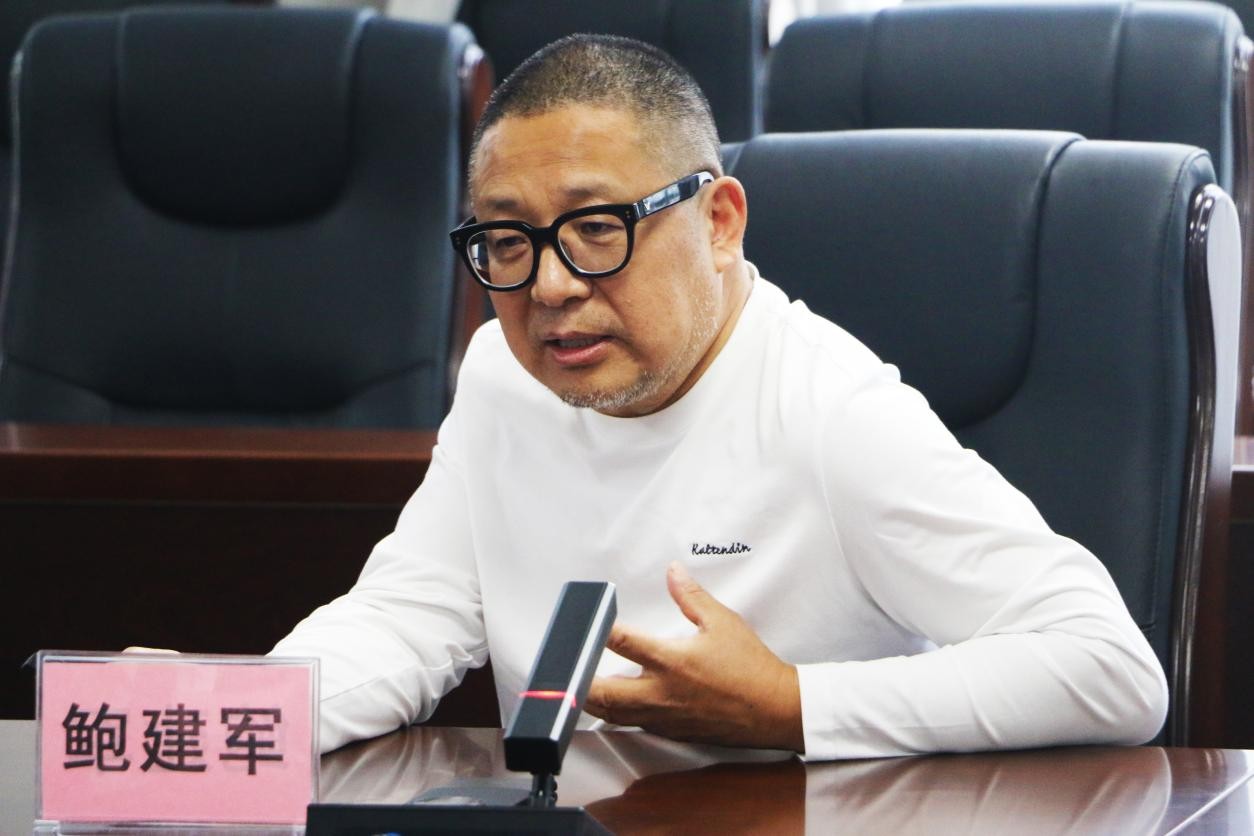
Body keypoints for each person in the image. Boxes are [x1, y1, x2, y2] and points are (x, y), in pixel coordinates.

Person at [272, 34, 1167, 759]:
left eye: (597, 228)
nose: (549, 286)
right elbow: (405, 617)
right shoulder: (505, 378)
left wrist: (792, 704)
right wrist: (238, 723)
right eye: (508, 241)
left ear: (719, 222)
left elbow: (1108, 665)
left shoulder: (830, 410)